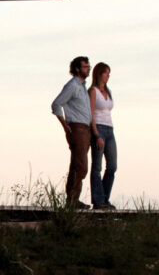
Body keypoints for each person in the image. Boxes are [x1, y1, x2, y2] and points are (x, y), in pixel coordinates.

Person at [50, 55, 92, 207]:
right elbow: (56, 104)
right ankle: (72, 200)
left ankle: (74, 199)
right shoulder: (73, 85)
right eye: (85, 67)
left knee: (80, 164)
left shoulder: (82, 87)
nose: (88, 69)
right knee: (80, 164)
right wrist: (65, 124)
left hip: (85, 128)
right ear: (77, 69)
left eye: (88, 66)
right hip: (77, 127)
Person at [89, 61, 117, 209]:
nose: (108, 76)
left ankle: (105, 197)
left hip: (110, 129)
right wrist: (96, 134)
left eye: (109, 73)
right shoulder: (93, 91)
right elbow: (91, 113)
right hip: (99, 128)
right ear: (99, 74)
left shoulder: (108, 91)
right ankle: (98, 200)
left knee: (112, 166)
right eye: (106, 73)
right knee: (97, 166)